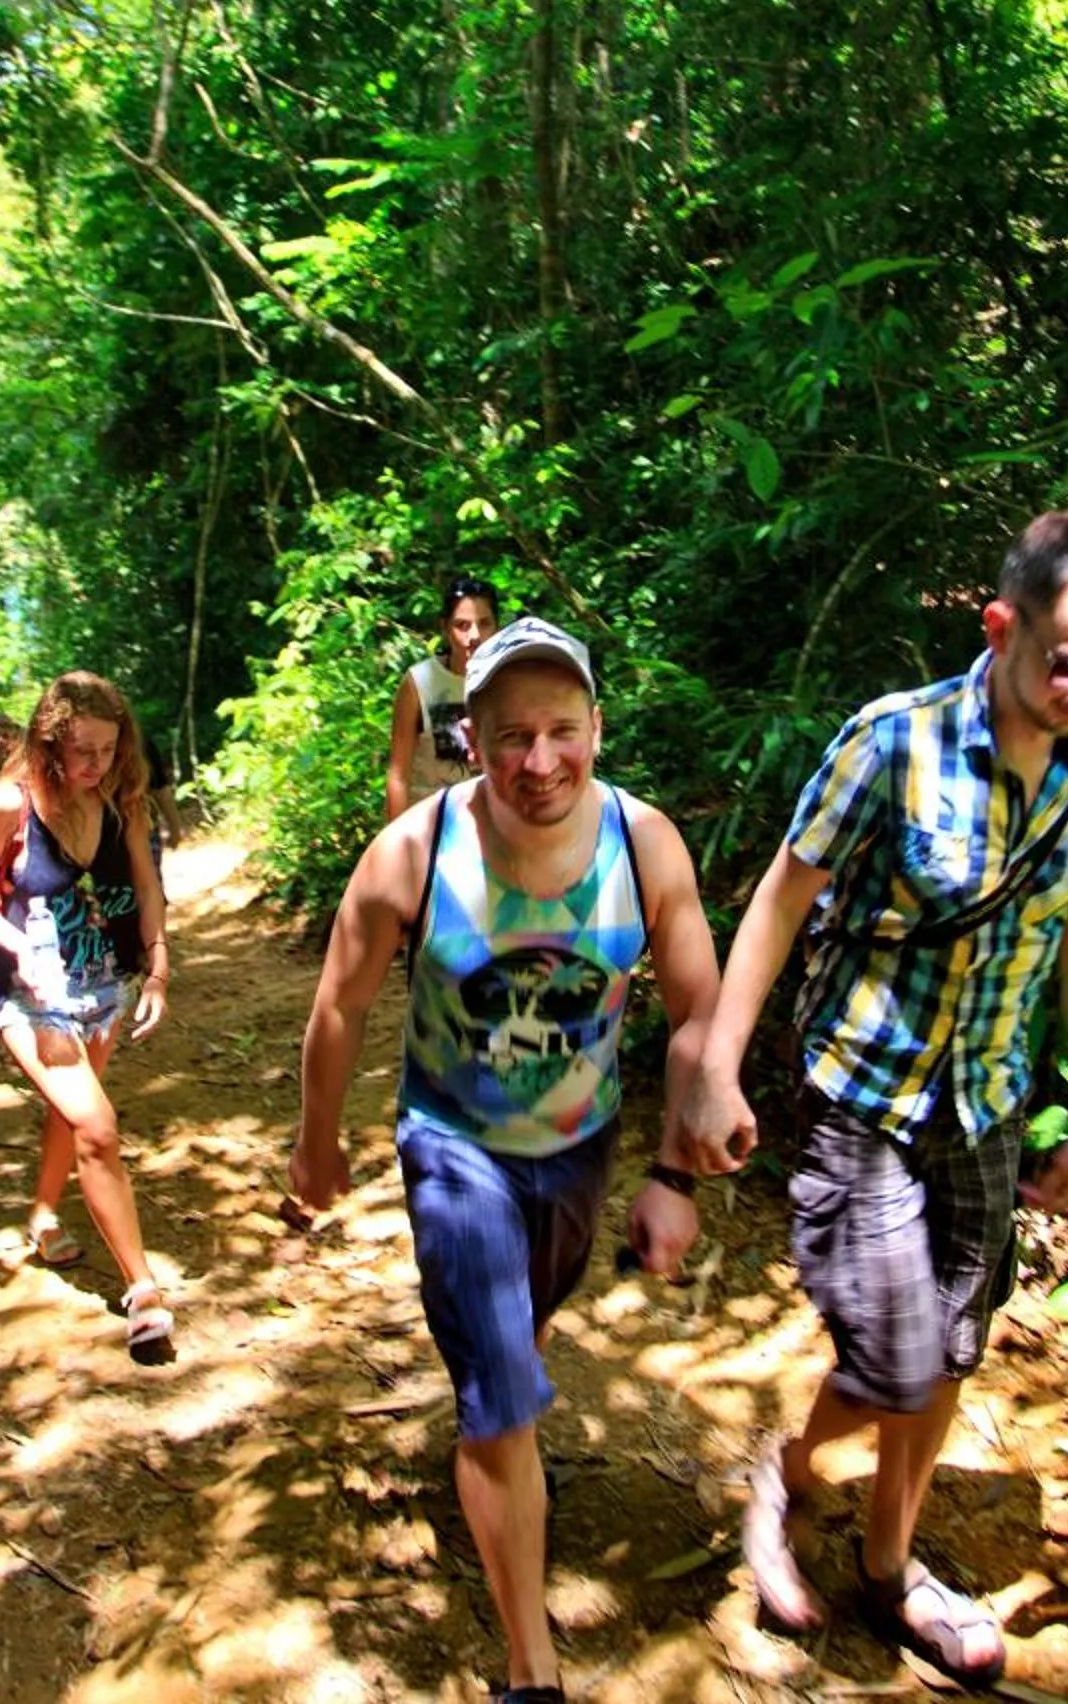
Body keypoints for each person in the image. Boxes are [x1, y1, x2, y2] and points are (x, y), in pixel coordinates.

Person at [678, 509, 1068, 1688]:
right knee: (892, 1358)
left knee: (948, 1353)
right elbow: (785, 899)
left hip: (988, 1101)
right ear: (1002, 627)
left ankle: (891, 1561)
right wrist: (717, 1066)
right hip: (867, 1095)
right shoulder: (894, 741)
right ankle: (783, 1481)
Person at [294, 617, 723, 1704]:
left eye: (563, 731)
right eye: (512, 736)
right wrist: (316, 1140)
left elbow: (696, 1013)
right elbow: (339, 1003)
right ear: (469, 738)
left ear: (596, 728)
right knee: (501, 1388)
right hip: (453, 1142)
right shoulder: (417, 849)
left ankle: (503, 1408)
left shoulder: (645, 842)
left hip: (579, 1148)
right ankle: (532, 1668)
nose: (541, 761)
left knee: (525, 1327)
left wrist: (675, 1170)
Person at [0, 671, 176, 1353]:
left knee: (71, 1111)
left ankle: (44, 1213)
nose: (95, 765)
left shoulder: (120, 799)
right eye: (81, 751)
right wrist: (19, 947)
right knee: (97, 1126)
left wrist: (158, 964)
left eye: (108, 750)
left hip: (101, 983)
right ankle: (143, 1291)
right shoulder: (4, 806)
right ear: (48, 743)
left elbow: (146, 884)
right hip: (29, 994)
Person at [385, 575, 502, 823]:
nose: (474, 635)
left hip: (492, 826)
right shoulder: (419, 683)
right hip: (429, 825)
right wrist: (395, 844)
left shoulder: (510, 683)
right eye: (462, 625)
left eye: (485, 623)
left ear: (498, 627)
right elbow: (398, 774)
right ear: (445, 627)